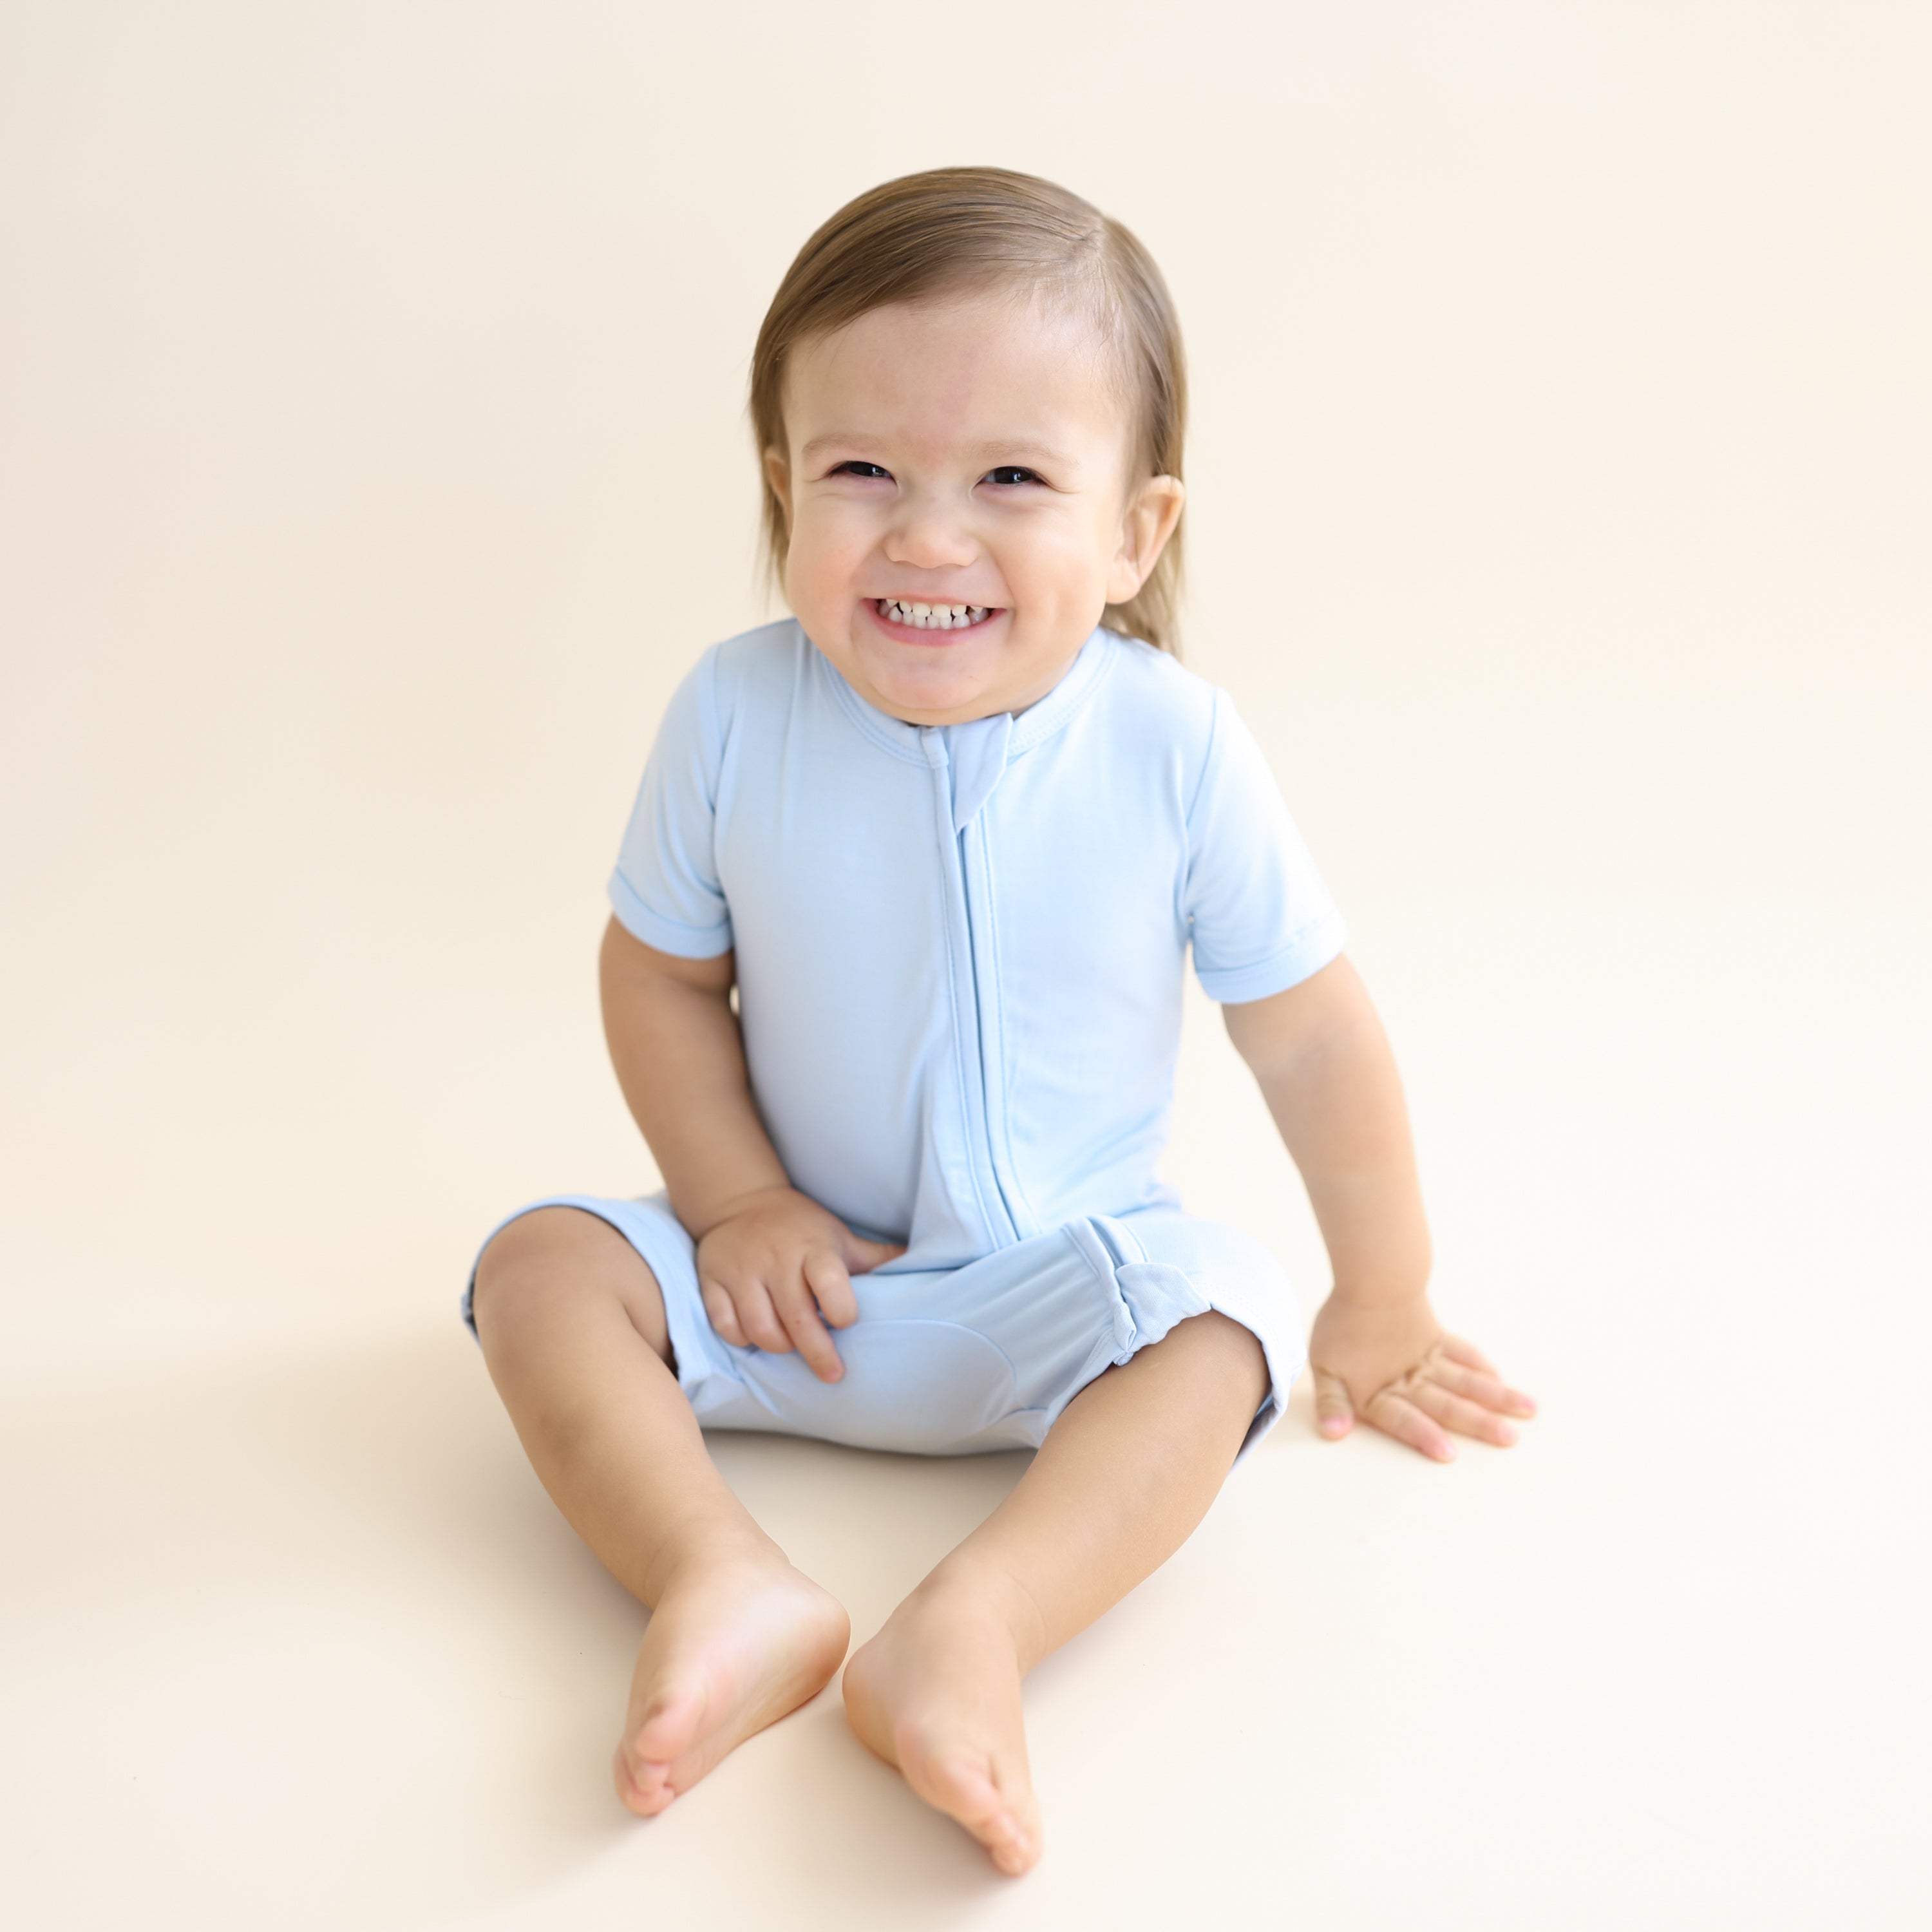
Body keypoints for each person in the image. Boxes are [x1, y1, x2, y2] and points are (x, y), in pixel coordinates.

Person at [465, 166, 1536, 1877]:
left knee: (1227, 1321)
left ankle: (969, 1628)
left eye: (1013, 480)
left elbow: (1312, 1034)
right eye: (862, 472)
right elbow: (657, 974)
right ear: (782, 486)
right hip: (792, 1290)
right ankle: (720, 1580)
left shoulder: (1174, 748)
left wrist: (1385, 1294)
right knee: (537, 1269)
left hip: (1067, 1301)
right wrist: (734, 1204)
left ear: (1135, 534)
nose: (927, 536)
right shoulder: (734, 714)